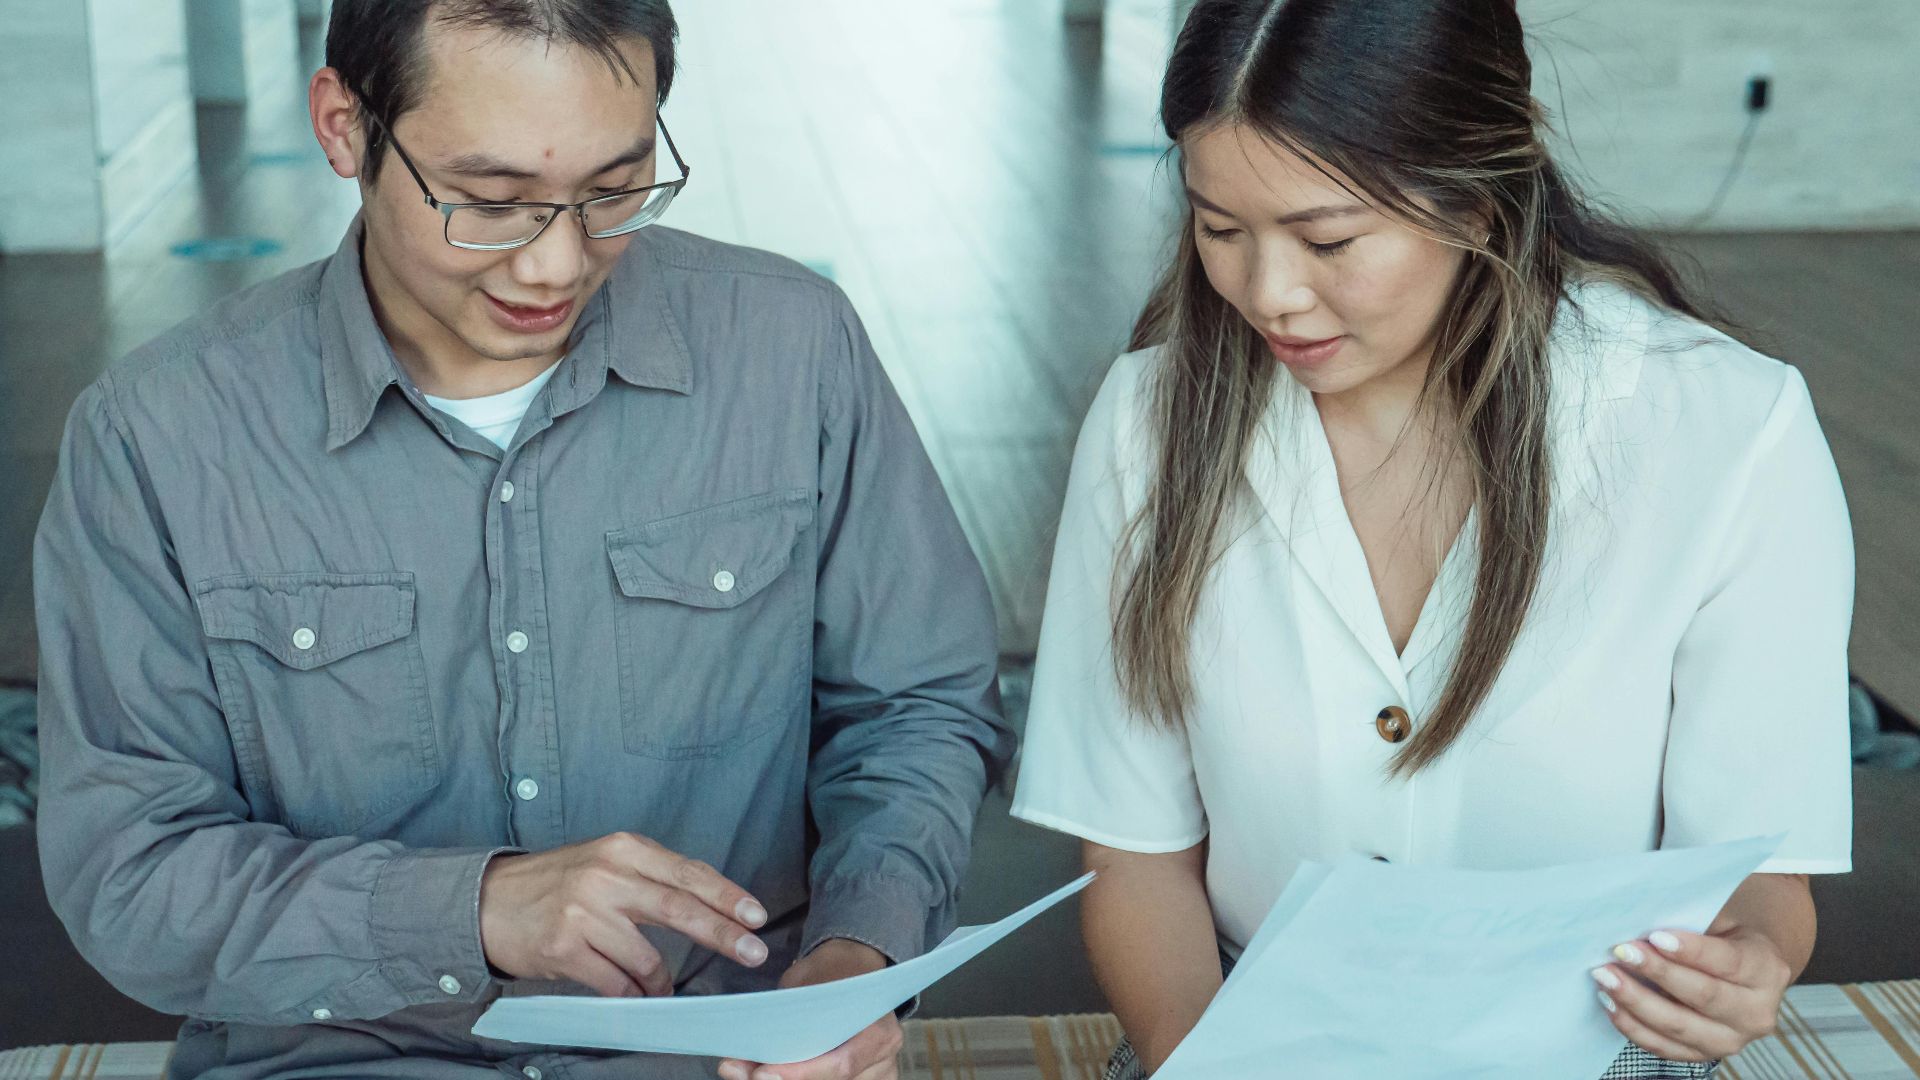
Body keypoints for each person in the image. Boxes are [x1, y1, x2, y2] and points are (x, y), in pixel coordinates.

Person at [33, 3, 1013, 1078]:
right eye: (492, 203)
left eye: (612, 191)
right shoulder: (159, 437)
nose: (555, 265)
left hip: (726, 1059)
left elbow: (917, 705)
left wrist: (853, 956)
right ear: (344, 129)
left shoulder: (793, 351)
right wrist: (474, 910)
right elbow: (129, 870)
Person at [1009, 1, 1854, 1076]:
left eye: (1328, 239)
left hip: (1598, 1049)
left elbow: (1759, 876)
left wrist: (1751, 963)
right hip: (1236, 1042)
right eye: (1218, 228)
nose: (1267, 293)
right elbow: (1135, 859)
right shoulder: (1149, 425)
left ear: (1481, 200)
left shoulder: (1727, 433)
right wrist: (1201, 1061)